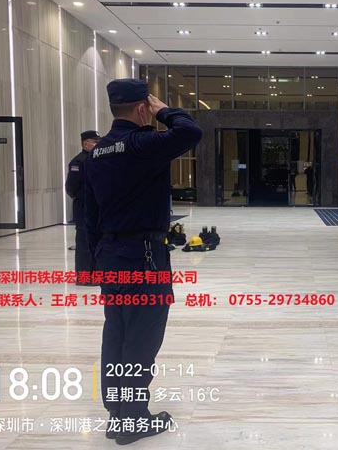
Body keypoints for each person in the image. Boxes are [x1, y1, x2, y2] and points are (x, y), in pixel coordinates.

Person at [85, 79, 202, 444]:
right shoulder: (141, 145)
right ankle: (132, 419)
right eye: (149, 108)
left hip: (111, 256)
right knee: (142, 338)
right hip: (144, 258)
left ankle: (117, 411)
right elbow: (190, 132)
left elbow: (90, 215)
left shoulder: (96, 152)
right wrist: (166, 111)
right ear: (141, 108)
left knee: (117, 332)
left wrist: (98, 260)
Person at [65, 130, 100, 285]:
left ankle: (96, 274)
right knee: (84, 243)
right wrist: (83, 198)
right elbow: (71, 187)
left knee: (95, 242)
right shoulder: (78, 162)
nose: (97, 144)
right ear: (86, 144)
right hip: (83, 208)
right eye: (95, 142)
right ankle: (84, 277)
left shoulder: (96, 159)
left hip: (96, 208)